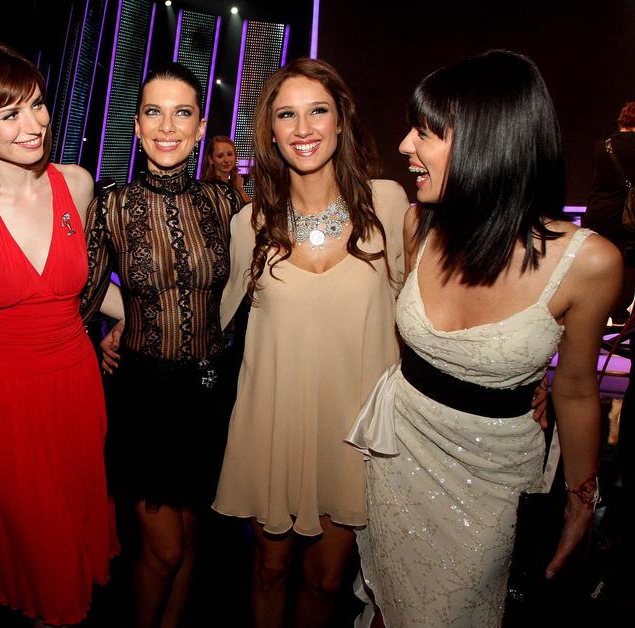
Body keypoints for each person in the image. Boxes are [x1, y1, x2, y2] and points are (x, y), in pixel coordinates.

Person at [349, 50, 621, 627]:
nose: (404, 145)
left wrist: (580, 499)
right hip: (399, 456)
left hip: (495, 480)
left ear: (486, 139)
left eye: (425, 132)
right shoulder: (419, 225)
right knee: (391, 605)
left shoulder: (588, 262)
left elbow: (576, 390)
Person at [0, 43, 120, 626]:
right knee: (39, 554)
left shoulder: (76, 184)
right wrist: (3, 328)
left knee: (68, 548)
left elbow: (79, 290)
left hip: (75, 387)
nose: (34, 124)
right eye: (10, 113)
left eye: (37, 104)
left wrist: (138, 317)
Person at [211, 58, 409, 627]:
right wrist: (120, 320)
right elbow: (205, 313)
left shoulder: (388, 204)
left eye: (317, 111)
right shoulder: (248, 223)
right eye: (287, 115)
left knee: (326, 581)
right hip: (274, 424)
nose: (303, 129)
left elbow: (423, 312)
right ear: (270, 132)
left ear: (341, 120)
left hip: (355, 430)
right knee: (269, 569)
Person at [81, 62, 243, 628]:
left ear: (199, 129)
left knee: (192, 533)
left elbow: (253, 294)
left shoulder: (226, 205)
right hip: (143, 394)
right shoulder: (111, 205)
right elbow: (81, 300)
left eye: (182, 114)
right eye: (154, 112)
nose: (167, 126)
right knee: (165, 547)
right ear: (137, 125)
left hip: (210, 391)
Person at [581, 101, 635, 324]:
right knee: (629, 265)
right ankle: (621, 313)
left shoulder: (601, 147)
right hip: (629, 218)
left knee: (603, 266)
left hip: (601, 214)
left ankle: (601, 313)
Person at [202, 135, 252, 204]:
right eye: (220, 156)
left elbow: (251, 209)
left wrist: (240, 189)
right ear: (211, 159)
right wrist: (240, 191)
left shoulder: (233, 185)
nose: (226, 160)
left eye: (229, 154)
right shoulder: (207, 189)